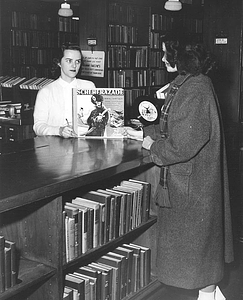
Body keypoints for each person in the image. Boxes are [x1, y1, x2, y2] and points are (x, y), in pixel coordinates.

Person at [126, 31, 234, 300]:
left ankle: (210, 295)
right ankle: (211, 294)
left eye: (166, 53)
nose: (163, 59)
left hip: (192, 188)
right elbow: (175, 126)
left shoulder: (195, 89)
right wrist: (143, 133)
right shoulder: (190, 83)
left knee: (199, 253)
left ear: (181, 56)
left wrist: (152, 146)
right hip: (192, 184)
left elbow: (181, 146)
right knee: (200, 251)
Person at [33, 43, 96, 138]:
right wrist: (59, 130)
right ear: (59, 63)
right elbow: (38, 126)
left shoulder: (89, 86)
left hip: (84, 145)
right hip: (55, 146)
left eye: (77, 61)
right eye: (69, 61)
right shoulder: (46, 92)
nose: (74, 66)